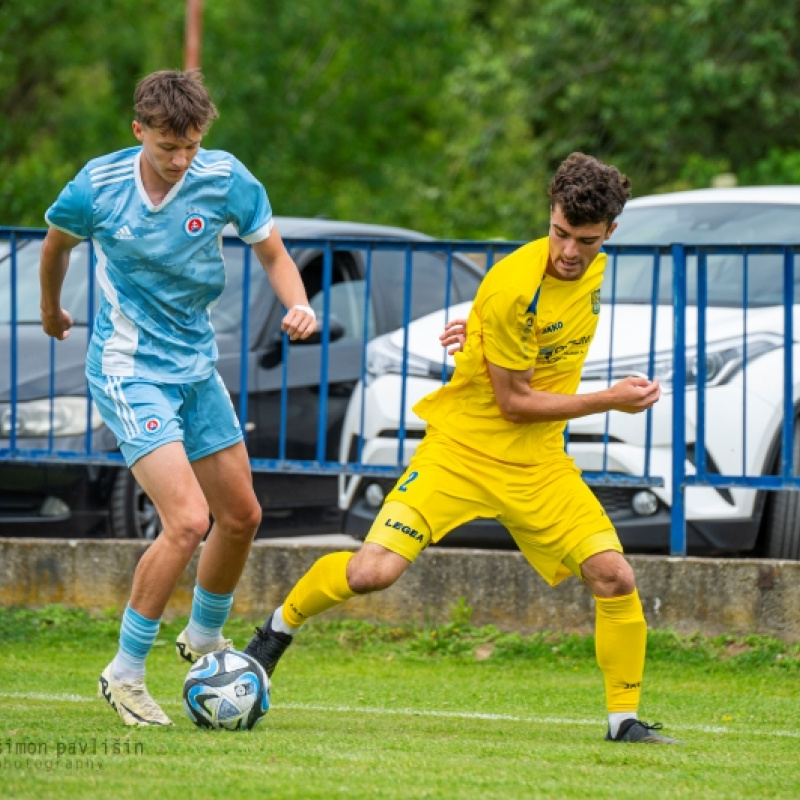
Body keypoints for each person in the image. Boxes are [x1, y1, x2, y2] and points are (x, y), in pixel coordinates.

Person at [245, 152, 681, 745]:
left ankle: (623, 721)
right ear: (548, 217)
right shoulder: (512, 286)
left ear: (610, 233)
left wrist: (474, 335)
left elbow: (518, 340)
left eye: (585, 240)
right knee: (373, 572)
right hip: (460, 455)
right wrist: (610, 399)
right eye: (559, 234)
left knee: (614, 576)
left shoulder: (593, 272)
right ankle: (275, 631)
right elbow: (514, 403)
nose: (569, 253)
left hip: (537, 466)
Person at [39, 70, 317, 726]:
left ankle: (204, 637)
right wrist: (51, 310)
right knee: (187, 520)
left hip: (195, 367)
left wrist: (299, 302)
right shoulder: (98, 186)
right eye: (168, 145)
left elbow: (273, 253)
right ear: (139, 131)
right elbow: (55, 247)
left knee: (242, 515)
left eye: (191, 144)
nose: (180, 159)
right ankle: (125, 671)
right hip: (128, 368)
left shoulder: (224, 178)